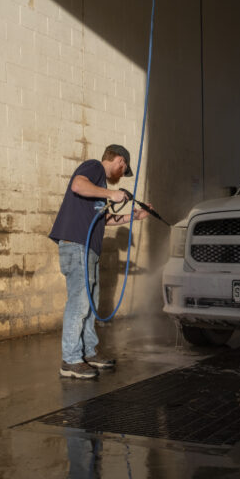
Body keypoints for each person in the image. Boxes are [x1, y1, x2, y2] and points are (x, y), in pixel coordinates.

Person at [49, 144, 150, 379]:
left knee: (90, 304)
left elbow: (106, 219)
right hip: (77, 245)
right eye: (123, 169)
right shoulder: (94, 167)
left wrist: (134, 216)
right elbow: (77, 185)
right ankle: (70, 360)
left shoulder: (99, 186)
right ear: (119, 161)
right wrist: (110, 194)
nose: (121, 175)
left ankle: (88, 353)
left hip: (88, 249)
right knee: (80, 303)